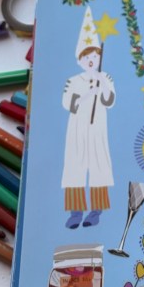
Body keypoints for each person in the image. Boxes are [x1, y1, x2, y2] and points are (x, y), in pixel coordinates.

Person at [62, 32, 116, 230]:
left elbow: (109, 101)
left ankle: (96, 212)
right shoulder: (73, 81)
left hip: (97, 130)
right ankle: (75, 213)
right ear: (80, 60)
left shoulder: (105, 77)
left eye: (95, 56)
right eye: (87, 57)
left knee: (99, 166)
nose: (91, 60)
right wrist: (86, 95)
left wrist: (103, 86)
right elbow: (68, 103)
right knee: (74, 168)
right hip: (77, 129)